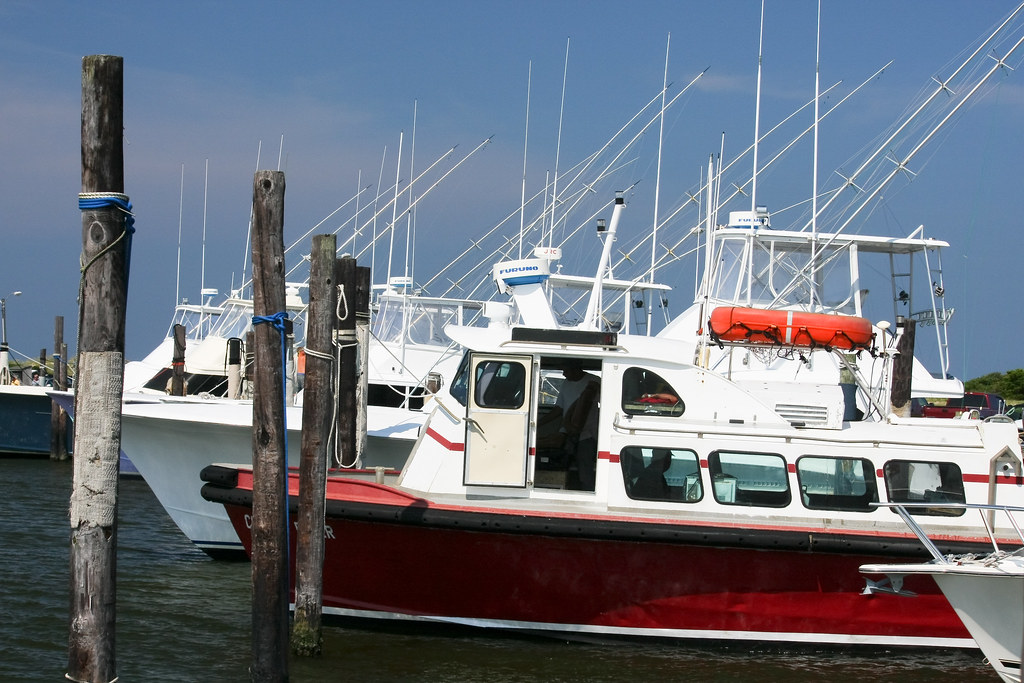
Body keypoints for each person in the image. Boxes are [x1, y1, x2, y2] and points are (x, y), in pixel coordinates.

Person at [552, 361, 600, 490]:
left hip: (588, 433)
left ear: (575, 369)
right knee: (565, 463)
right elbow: (558, 409)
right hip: (568, 432)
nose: (563, 374)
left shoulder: (594, 381)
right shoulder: (565, 384)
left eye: (565, 370)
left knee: (585, 467)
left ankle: (588, 491)